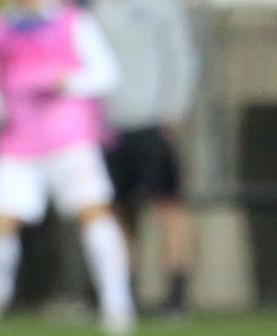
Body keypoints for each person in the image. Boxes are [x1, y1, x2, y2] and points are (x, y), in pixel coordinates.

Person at [0, 0, 135, 336]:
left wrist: (64, 82)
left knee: (94, 214)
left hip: (69, 138)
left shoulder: (73, 22)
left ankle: (117, 304)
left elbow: (105, 74)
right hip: (17, 140)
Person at [92, 0, 199, 316]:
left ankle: (176, 293)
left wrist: (174, 109)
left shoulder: (163, 8)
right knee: (116, 210)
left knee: (167, 204)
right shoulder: (96, 10)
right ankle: (120, 291)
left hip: (152, 121)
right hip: (107, 126)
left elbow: (181, 59)